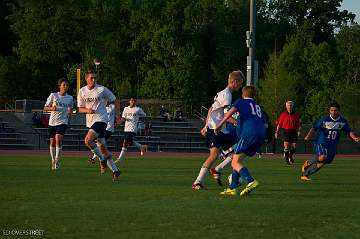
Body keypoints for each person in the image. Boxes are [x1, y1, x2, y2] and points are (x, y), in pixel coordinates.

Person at [192, 70, 244, 190]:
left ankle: (216, 170)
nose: (241, 86)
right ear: (234, 82)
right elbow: (227, 115)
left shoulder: (222, 93)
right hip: (216, 129)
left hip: (218, 129)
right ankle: (197, 182)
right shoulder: (227, 95)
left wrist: (205, 125)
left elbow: (211, 109)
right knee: (215, 155)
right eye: (240, 83)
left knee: (236, 151)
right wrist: (238, 123)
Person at [215, 85, 266, 196]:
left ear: (243, 95)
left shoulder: (240, 102)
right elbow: (264, 123)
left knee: (235, 162)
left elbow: (229, 113)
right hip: (260, 135)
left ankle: (250, 181)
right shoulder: (257, 106)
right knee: (237, 160)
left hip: (249, 134)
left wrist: (219, 125)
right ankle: (232, 188)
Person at [77, 69, 120, 181]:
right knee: (103, 148)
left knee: (87, 140)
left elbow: (115, 100)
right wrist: (87, 110)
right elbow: (80, 109)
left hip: (101, 120)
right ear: (86, 78)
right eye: (91, 77)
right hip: (90, 121)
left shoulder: (102, 89)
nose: (94, 79)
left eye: (95, 77)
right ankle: (116, 171)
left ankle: (101, 159)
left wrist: (118, 116)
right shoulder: (82, 91)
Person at [301, 102, 360, 181]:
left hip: (333, 145)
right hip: (322, 142)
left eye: (335, 110)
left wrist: (354, 138)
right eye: (331, 110)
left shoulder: (342, 121)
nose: (333, 112)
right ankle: (308, 162)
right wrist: (308, 136)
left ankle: (305, 174)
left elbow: (349, 131)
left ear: (339, 111)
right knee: (322, 157)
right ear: (329, 111)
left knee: (324, 162)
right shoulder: (324, 119)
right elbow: (314, 127)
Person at [43, 78, 73, 170]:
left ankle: (57, 160)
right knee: (52, 142)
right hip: (52, 122)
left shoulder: (70, 98)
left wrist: (69, 113)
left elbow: (71, 109)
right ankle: (53, 160)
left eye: (67, 85)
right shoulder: (53, 95)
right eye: (64, 85)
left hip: (63, 122)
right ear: (59, 86)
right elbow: (45, 108)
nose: (65, 86)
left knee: (58, 139)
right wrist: (52, 108)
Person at [115, 97, 147, 163]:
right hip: (126, 129)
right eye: (131, 100)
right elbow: (123, 118)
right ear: (129, 101)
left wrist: (138, 119)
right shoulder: (126, 109)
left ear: (135, 102)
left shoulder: (138, 109)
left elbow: (144, 115)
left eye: (134, 101)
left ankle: (120, 159)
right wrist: (119, 122)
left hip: (133, 129)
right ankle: (141, 147)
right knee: (129, 142)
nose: (132, 101)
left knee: (125, 142)